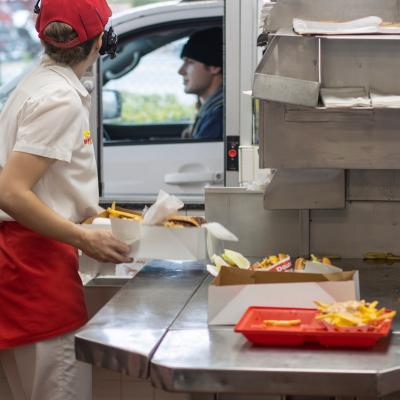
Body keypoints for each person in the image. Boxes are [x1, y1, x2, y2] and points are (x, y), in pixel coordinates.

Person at [0, 0, 131, 399]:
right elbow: (10, 192)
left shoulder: (37, 83)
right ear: (102, 42)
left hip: (21, 267)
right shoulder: (59, 98)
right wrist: (82, 236)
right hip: (36, 270)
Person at [178, 27, 223, 140]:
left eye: (190, 62)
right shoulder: (211, 111)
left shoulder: (218, 117)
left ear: (214, 67)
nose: (181, 71)